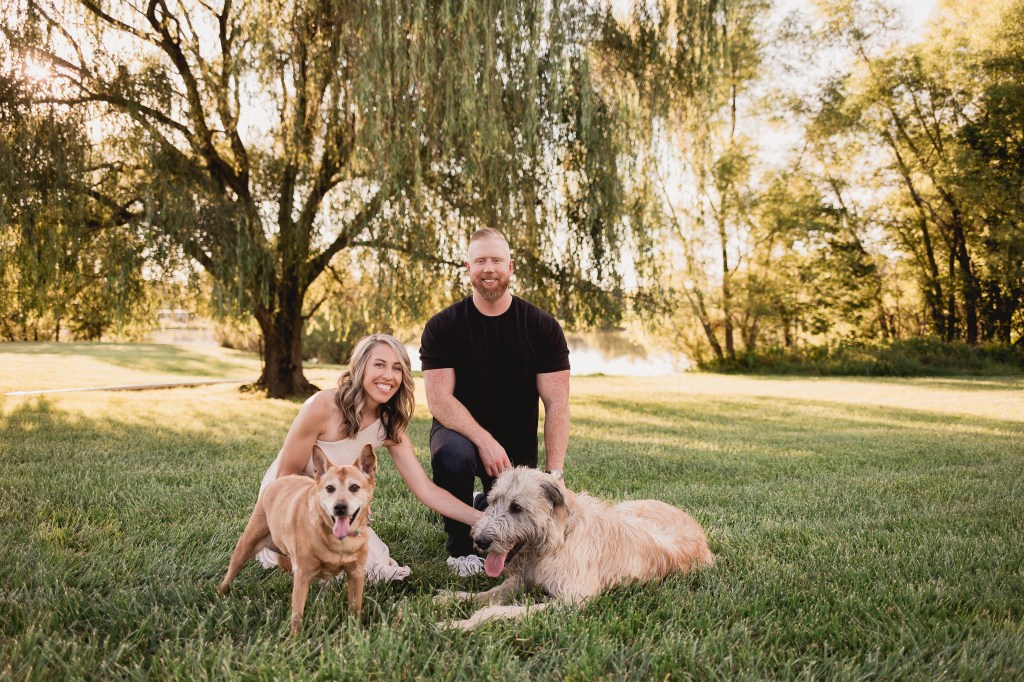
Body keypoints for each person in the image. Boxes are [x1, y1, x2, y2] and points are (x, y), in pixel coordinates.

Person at [255, 333, 482, 583]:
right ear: (361, 367)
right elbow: (284, 478)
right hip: (289, 504)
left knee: (371, 568)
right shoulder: (321, 406)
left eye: (397, 368)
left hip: (338, 509)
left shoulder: (388, 425)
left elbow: (427, 490)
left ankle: (477, 503)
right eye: (379, 365)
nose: (389, 376)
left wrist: (483, 519)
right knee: (339, 571)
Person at [420, 228, 571, 576]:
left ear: (510, 267)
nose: (488, 268)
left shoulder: (542, 327)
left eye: (497, 260)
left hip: (515, 448)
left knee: (520, 524)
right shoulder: (442, 326)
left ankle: (479, 504)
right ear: (468, 267)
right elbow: (439, 400)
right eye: (480, 261)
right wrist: (484, 440)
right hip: (459, 433)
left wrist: (555, 474)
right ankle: (460, 550)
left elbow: (557, 405)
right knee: (452, 455)